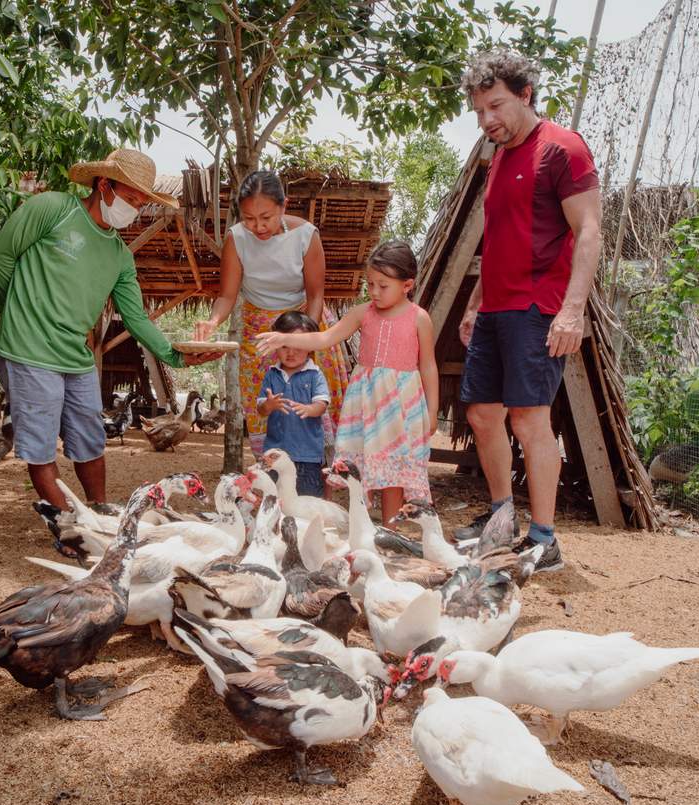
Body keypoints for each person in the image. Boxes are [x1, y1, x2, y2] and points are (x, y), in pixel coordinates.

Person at [0, 148, 222, 513]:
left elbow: (137, 318)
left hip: (74, 357)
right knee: (42, 450)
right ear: (103, 185)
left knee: (91, 441)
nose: (135, 208)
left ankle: (100, 511)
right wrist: (17, 315)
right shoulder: (54, 208)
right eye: (129, 198)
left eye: (141, 202)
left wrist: (177, 356)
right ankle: (74, 526)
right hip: (28, 352)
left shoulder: (119, 256)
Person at [452, 49, 602, 571]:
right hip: (496, 308)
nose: (487, 119)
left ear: (524, 95)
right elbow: (496, 239)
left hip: (539, 307)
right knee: (482, 413)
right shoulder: (499, 159)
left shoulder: (563, 148)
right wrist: (475, 303)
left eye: (495, 106)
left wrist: (572, 311)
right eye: (479, 112)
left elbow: (588, 231)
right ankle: (501, 520)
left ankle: (545, 539)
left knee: (529, 419)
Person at [255, 241, 438, 523]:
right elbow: (325, 337)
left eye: (383, 285)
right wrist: (284, 338)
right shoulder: (362, 313)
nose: (374, 292)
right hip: (366, 403)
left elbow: (427, 365)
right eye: (371, 284)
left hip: (401, 407)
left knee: (394, 471)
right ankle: (361, 531)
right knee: (359, 469)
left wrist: (432, 411)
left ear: (407, 284)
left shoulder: (419, 318)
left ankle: (390, 530)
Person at [193, 170, 352, 459]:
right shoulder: (237, 239)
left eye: (266, 217)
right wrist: (213, 321)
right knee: (267, 402)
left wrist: (304, 339)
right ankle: (272, 472)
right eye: (249, 219)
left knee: (312, 397)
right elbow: (227, 296)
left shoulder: (306, 235)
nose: (258, 226)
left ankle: (320, 469)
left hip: (306, 323)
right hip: (261, 332)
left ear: (284, 206)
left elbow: (316, 295)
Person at [257, 311, 332, 497]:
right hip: (274, 457)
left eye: (298, 345)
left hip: (307, 457)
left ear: (310, 346)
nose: (291, 352)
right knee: (274, 500)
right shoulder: (271, 375)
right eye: (284, 346)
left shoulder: (315, 374)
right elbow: (261, 410)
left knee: (306, 502)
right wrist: (269, 404)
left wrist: (309, 409)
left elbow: (322, 405)